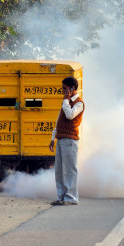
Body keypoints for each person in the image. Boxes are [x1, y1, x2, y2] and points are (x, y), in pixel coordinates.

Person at [49, 76, 85, 206]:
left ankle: (71, 198)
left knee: (70, 170)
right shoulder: (66, 101)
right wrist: (53, 138)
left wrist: (66, 100)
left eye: (64, 88)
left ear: (71, 88)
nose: (63, 91)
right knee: (59, 170)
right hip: (62, 139)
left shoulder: (79, 103)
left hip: (70, 140)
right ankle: (62, 197)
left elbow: (69, 115)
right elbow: (59, 121)